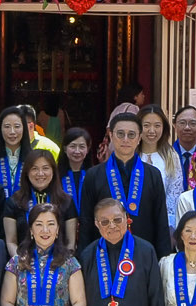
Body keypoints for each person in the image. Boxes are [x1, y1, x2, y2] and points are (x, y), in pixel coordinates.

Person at [80, 110, 172, 255]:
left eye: (131, 134)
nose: (126, 139)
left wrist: (163, 259)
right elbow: (86, 222)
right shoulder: (94, 175)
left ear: (139, 138)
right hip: (103, 255)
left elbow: (160, 222)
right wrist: (85, 260)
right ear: (111, 135)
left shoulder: (153, 175)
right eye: (120, 134)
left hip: (144, 255)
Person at [5, 146, 78, 251]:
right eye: (34, 169)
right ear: (27, 172)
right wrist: (21, 263)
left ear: (53, 171)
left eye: (45, 168)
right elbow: (11, 242)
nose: (40, 173)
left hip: (60, 264)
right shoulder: (14, 202)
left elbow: (71, 243)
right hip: (23, 263)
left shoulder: (66, 201)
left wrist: (61, 264)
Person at [0, 106, 34, 201]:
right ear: (0, 129)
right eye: (7, 127)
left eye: (17, 126)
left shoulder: (33, 160)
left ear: (24, 129)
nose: (12, 132)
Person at [167, 106, 196, 198]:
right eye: (182, 123)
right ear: (174, 125)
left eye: (193, 123)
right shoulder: (166, 156)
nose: (187, 127)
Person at [137, 104, 174, 184]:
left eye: (157, 126)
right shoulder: (130, 154)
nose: (152, 131)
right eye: (146, 125)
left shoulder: (170, 155)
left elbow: (175, 191)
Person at [60, 126, 94, 208]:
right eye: (73, 146)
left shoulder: (95, 174)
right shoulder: (56, 175)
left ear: (88, 149)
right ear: (65, 148)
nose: (77, 151)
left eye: (82, 147)